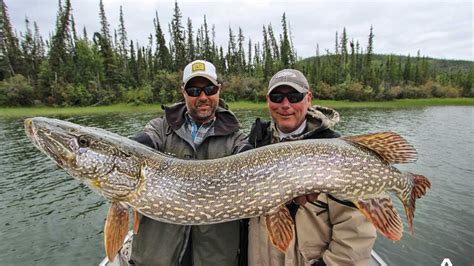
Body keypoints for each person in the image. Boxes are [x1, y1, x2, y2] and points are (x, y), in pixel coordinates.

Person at [246, 69, 376, 266]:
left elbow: (357, 230)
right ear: (268, 100)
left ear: (308, 98)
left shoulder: (335, 150)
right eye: (277, 96)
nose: (285, 105)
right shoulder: (254, 143)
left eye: (294, 96)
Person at [129, 60, 250, 265]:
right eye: (194, 90)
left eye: (209, 89)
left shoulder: (237, 139)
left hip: (213, 257)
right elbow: (138, 147)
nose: (202, 97)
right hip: (158, 257)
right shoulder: (160, 128)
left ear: (218, 90)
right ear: (183, 92)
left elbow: (250, 160)